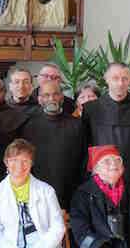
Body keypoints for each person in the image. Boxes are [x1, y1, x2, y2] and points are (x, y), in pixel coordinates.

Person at [82, 63, 130, 192]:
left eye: (125, 78)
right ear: (106, 79)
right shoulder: (91, 109)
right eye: (115, 78)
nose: (120, 83)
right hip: (98, 181)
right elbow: (84, 148)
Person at [18, 79, 88, 209]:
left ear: (62, 97)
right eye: (46, 95)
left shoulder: (77, 124)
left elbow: (84, 159)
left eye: (55, 94)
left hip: (71, 191)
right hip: (37, 192)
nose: (51, 98)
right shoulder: (28, 126)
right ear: (39, 99)